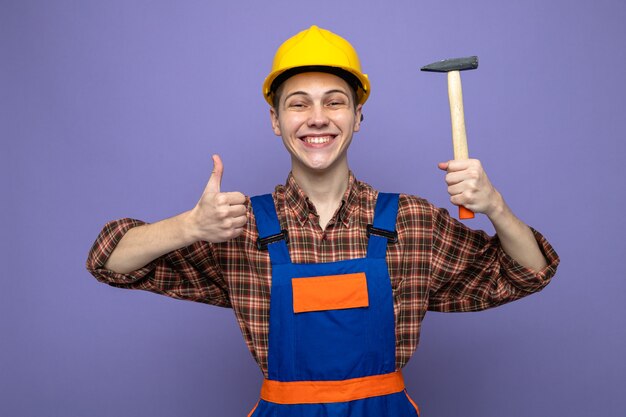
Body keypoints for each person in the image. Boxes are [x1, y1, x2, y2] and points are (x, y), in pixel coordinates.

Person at [87, 25, 559, 417]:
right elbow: (109, 259)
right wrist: (190, 227)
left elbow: (527, 272)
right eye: (298, 103)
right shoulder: (238, 226)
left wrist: (495, 204)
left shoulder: (413, 222)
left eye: (335, 102)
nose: (317, 118)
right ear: (275, 120)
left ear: (358, 117)